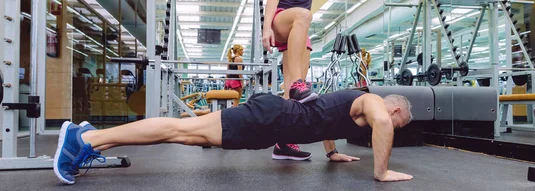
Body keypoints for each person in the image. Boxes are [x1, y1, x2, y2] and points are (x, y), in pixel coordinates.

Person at [53, 90, 414, 184]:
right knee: (181, 130)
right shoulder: (371, 102)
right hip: (270, 118)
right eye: (398, 126)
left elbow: (326, 123)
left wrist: (332, 153)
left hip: (268, 124)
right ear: (395, 111)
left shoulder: (358, 109)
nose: (391, 130)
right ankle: (82, 140)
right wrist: (381, 173)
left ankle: (93, 138)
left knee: (185, 137)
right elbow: (381, 123)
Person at [262, 0, 319, 161]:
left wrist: (332, 152)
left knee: (293, 96)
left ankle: (284, 143)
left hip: (300, 28)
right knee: (305, 14)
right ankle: (297, 83)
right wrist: (266, 29)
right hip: (282, 18)